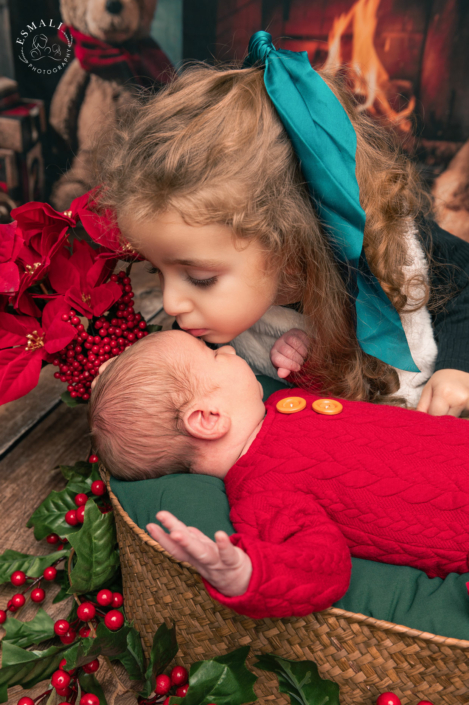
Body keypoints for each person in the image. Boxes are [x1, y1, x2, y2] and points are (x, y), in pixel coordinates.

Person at [94, 32, 469, 416]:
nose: (171, 302)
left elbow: (465, 285)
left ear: (291, 250)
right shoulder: (206, 325)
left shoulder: (397, 244)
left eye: (200, 277)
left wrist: (458, 367)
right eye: (157, 270)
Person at [89, 330, 469, 619]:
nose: (230, 349)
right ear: (208, 418)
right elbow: (321, 566)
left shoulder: (278, 407)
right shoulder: (262, 496)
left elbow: (350, 407)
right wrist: (249, 574)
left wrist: (307, 360)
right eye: (213, 356)